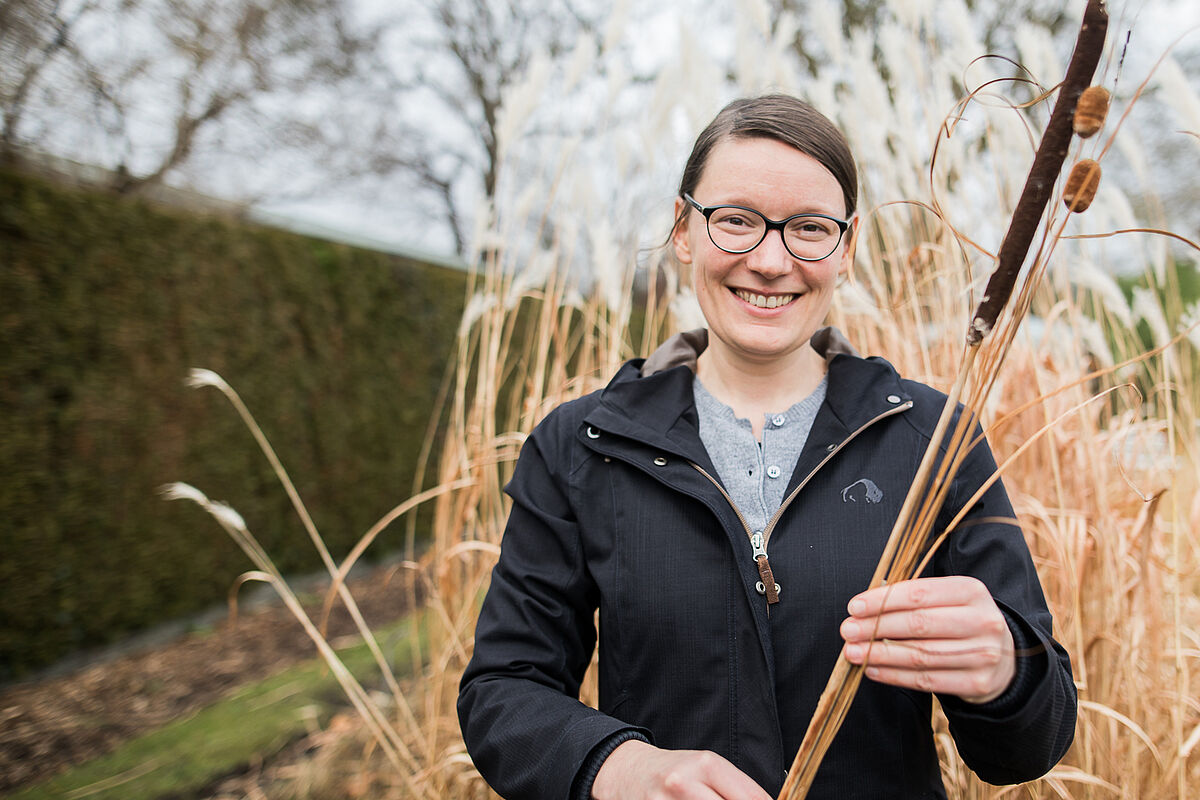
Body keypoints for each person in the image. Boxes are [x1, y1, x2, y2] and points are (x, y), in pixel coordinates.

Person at [457, 94, 1076, 800]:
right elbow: (503, 690)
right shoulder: (581, 445)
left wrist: (1006, 671)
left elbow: (1031, 745)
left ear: (846, 249)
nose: (772, 260)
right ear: (683, 230)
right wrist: (620, 768)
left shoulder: (934, 438)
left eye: (809, 228)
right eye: (737, 221)